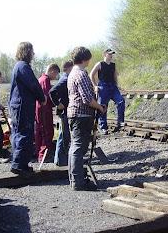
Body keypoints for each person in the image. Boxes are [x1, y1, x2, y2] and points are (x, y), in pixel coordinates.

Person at [67, 46, 106, 191]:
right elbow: (87, 99)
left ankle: (74, 178)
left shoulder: (72, 73)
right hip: (82, 115)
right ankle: (78, 181)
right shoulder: (82, 74)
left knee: (74, 147)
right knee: (78, 147)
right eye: (88, 59)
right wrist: (100, 107)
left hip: (75, 114)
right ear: (84, 59)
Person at [9, 42, 46, 176]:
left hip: (19, 105)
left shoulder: (19, 66)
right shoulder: (23, 67)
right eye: (32, 51)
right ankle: (18, 165)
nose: (33, 54)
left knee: (20, 134)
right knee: (24, 134)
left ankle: (21, 164)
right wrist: (42, 98)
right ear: (27, 52)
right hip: (22, 106)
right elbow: (34, 85)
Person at [90, 48, 125, 135]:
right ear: (105, 54)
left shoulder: (113, 65)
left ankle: (120, 121)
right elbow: (91, 74)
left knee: (121, 101)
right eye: (109, 54)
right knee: (103, 107)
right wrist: (95, 86)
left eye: (111, 54)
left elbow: (115, 76)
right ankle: (103, 127)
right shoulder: (100, 64)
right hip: (103, 87)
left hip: (112, 87)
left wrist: (116, 85)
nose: (111, 55)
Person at [49, 60, 74, 166]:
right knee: (64, 135)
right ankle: (60, 161)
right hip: (63, 111)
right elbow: (52, 91)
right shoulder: (65, 80)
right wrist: (57, 103)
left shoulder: (65, 78)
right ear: (69, 69)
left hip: (65, 110)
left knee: (64, 135)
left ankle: (60, 160)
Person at [35, 63, 60, 162]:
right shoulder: (45, 80)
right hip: (44, 109)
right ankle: (44, 155)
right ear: (52, 71)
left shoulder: (41, 79)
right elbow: (47, 96)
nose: (55, 77)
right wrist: (56, 103)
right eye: (55, 75)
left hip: (39, 109)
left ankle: (39, 153)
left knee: (39, 131)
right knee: (47, 131)